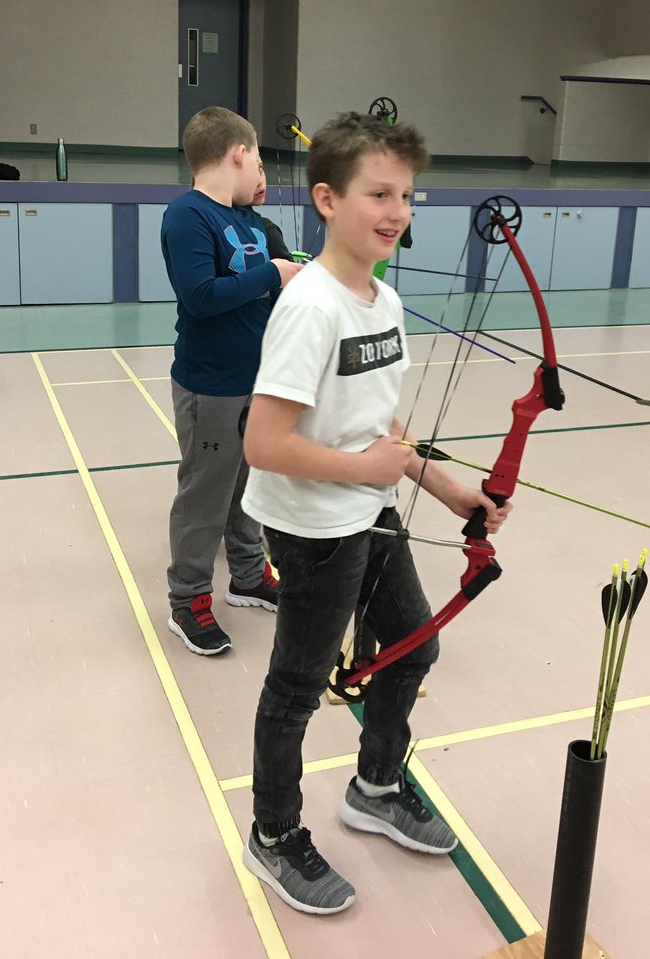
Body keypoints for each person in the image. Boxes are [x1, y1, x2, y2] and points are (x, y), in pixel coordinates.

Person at [240, 112, 511, 914]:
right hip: (313, 528)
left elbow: (380, 428)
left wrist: (445, 487)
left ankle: (376, 786)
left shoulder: (383, 300)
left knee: (412, 646)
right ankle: (273, 833)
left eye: (407, 196)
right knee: (296, 688)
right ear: (327, 199)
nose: (398, 212)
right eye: (379, 194)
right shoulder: (312, 307)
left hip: (371, 507)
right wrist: (365, 470)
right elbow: (263, 442)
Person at [161, 107, 302, 656]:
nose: (261, 172)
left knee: (247, 487)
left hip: (255, 383)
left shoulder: (248, 220)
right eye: (258, 159)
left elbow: (263, 296)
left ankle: (247, 575)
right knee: (206, 495)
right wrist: (274, 274)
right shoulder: (188, 215)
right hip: (211, 386)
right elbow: (200, 296)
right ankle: (188, 598)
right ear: (239, 153)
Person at [249, 159, 294, 261]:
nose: (260, 182)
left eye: (260, 169)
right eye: (248, 173)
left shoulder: (268, 229)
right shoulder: (266, 229)